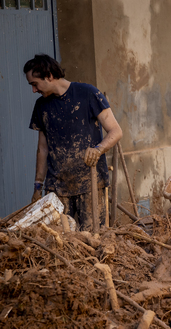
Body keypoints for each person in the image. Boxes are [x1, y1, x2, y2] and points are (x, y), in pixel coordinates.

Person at [24, 54, 122, 231]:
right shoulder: (41, 106)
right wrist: (38, 186)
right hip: (58, 189)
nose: (33, 90)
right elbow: (43, 149)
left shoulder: (88, 93)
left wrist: (98, 149)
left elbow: (116, 131)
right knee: (62, 243)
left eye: (34, 83)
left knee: (93, 239)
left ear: (49, 76)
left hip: (90, 184)